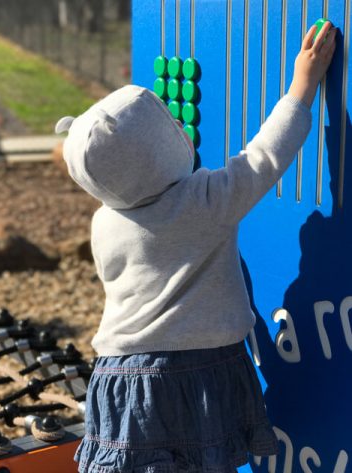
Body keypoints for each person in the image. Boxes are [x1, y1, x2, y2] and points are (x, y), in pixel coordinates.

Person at [55, 21, 336, 473]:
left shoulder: (105, 223)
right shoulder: (205, 201)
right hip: (195, 375)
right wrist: (301, 89)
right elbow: (264, 158)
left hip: (120, 377)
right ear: (161, 152)